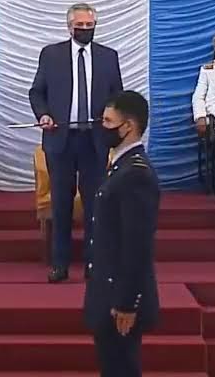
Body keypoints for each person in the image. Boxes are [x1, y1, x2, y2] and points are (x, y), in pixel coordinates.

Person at [28, 2, 124, 283]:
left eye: (89, 26)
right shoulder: (51, 54)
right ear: (69, 26)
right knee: (61, 204)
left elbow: (116, 96)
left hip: (94, 141)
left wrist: (112, 119)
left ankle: (95, 264)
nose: (85, 30)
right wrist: (43, 115)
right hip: (61, 140)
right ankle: (60, 264)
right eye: (79, 26)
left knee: (96, 205)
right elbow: (37, 92)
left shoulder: (108, 56)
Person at [84, 90, 160, 377]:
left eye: (107, 121)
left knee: (121, 368)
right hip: (107, 289)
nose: (101, 127)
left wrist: (127, 303)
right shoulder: (119, 166)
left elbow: (136, 246)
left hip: (121, 298)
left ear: (127, 126)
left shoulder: (135, 174)